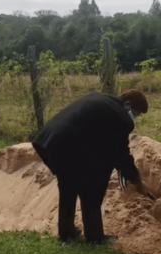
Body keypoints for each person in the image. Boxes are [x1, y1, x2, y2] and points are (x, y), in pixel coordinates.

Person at [32, 89, 152, 245]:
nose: (135, 118)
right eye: (136, 113)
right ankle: (95, 237)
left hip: (52, 141)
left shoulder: (102, 100)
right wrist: (137, 180)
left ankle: (67, 234)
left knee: (69, 188)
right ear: (127, 105)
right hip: (68, 144)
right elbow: (121, 153)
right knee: (93, 188)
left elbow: (104, 143)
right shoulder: (121, 117)